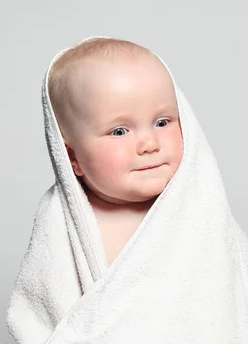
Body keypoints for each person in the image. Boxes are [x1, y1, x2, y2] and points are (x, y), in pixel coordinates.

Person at [47, 38, 184, 265]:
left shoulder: (199, 211)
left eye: (162, 122)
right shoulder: (63, 225)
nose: (150, 144)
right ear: (72, 157)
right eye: (119, 131)